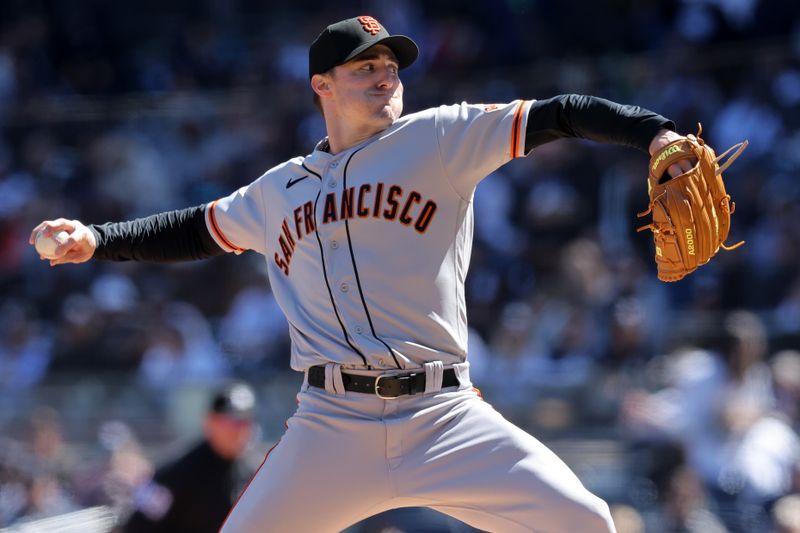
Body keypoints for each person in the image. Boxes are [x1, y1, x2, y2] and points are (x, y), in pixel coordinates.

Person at [31, 15, 696, 533]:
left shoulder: (439, 138)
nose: (385, 76)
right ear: (322, 85)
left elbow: (559, 113)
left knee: (587, 521)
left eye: (391, 66)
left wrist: (654, 133)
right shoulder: (278, 189)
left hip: (443, 413)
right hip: (331, 424)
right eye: (365, 67)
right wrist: (97, 238)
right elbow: (194, 229)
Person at [123, 382, 256, 533]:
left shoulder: (252, 472)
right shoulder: (176, 472)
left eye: (245, 422)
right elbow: (136, 526)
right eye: (232, 422)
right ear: (210, 422)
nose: (239, 430)